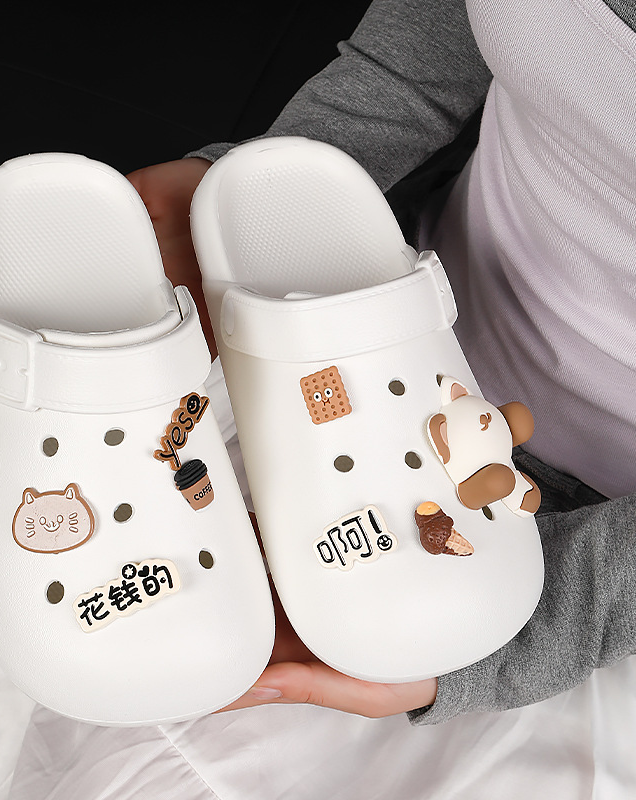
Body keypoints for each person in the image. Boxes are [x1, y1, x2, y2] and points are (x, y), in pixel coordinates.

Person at [127, 0, 636, 724]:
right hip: (352, 308)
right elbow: (440, 48)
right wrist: (269, 194)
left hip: (599, 541)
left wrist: (564, 617)